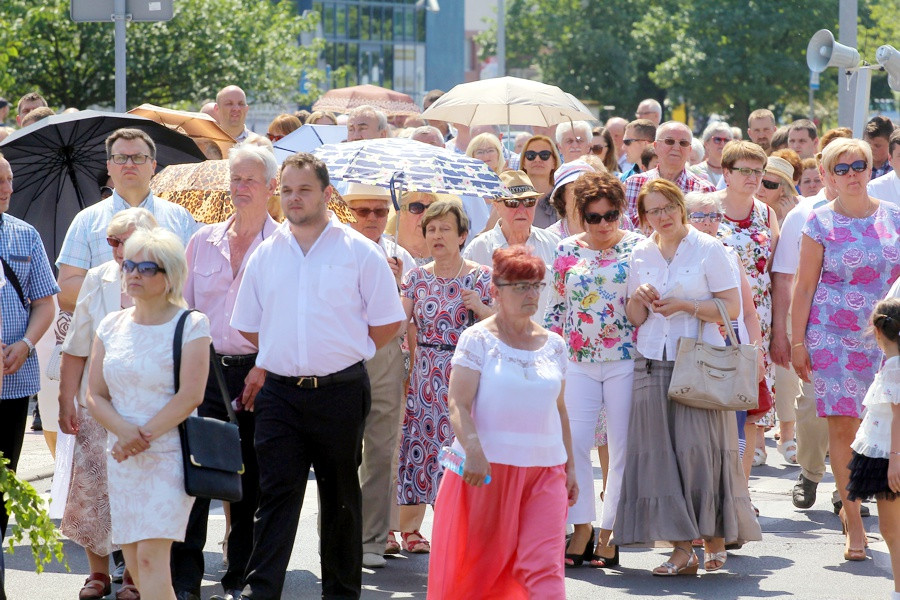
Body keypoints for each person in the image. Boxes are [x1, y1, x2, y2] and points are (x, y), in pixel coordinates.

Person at [230, 152, 404, 598]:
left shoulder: (359, 252)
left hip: (340, 391)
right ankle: (261, 590)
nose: (294, 198)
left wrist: (347, 349)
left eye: (304, 189)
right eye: (287, 190)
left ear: (327, 194)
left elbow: (387, 322)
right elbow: (248, 325)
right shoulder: (266, 255)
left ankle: (341, 593)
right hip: (280, 394)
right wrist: (283, 349)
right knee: (275, 496)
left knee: (341, 497)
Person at [616, 179, 761, 574]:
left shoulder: (708, 248)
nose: (662, 216)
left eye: (668, 207)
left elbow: (731, 307)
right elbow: (635, 318)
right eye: (653, 211)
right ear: (643, 216)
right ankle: (682, 550)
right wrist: (637, 299)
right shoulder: (640, 252)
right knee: (659, 459)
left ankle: (713, 538)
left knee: (700, 453)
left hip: (697, 362)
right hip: (651, 360)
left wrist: (685, 305)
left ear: (680, 206)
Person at [427, 246, 577, 599]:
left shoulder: (555, 345)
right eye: (521, 286)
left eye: (536, 285)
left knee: (544, 565)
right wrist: (474, 452)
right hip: (487, 471)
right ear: (495, 291)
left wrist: (571, 467)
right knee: (479, 573)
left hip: (546, 472)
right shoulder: (477, 339)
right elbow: (458, 402)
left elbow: (560, 409)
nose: (531, 294)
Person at [172, 145, 278, 600]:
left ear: (272, 187)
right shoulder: (202, 240)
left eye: (250, 179)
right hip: (206, 370)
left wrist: (265, 366)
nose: (241, 187)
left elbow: (287, 318)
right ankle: (185, 581)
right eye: (236, 179)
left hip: (262, 372)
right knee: (196, 475)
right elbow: (184, 308)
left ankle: (240, 575)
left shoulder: (284, 245)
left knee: (252, 479)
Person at [86, 228, 211, 599]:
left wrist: (140, 437)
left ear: (169, 275)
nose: (133, 274)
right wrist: (124, 433)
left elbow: (191, 395)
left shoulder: (192, 324)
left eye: (146, 268)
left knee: (151, 560)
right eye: (129, 265)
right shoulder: (110, 325)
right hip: (122, 458)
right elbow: (95, 395)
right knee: (136, 567)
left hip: (168, 456)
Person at [791, 137, 900, 562]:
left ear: (872, 169)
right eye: (842, 168)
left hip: (888, 338)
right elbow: (803, 287)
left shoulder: (894, 217)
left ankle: (889, 511)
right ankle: (853, 519)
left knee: (890, 425)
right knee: (843, 428)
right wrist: (796, 342)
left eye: (859, 166)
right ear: (829, 175)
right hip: (831, 337)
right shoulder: (818, 221)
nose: (852, 174)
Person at [544, 171, 643, 569]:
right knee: (575, 446)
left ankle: (609, 531)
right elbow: (556, 308)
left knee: (620, 449)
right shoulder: (566, 249)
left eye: (611, 215)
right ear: (580, 216)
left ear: (621, 211)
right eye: (594, 217)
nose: (603, 224)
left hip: (625, 359)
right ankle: (581, 526)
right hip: (578, 360)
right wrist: (548, 357)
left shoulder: (639, 247)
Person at [58, 208, 157, 600]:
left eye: (123, 241)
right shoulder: (98, 278)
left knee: (138, 493)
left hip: (145, 407)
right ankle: (98, 573)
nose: (116, 249)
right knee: (91, 492)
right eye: (112, 241)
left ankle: (134, 575)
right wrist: (66, 400)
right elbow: (76, 345)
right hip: (96, 405)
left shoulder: (164, 277)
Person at [396, 200, 493, 555]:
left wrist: (480, 307)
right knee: (420, 447)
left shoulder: (481, 277)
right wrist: (392, 286)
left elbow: (501, 325)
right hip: (424, 373)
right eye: (431, 229)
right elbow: (399, 324)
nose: (437, 235)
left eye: (445, 229)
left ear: (463, 235)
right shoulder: (415, 278)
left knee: (460, 446)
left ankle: (458, 525)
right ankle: (410, 529)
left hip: (465, 374)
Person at [342, 183, 415, 568]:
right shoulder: (334, 248)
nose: (373, 218)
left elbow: (406, 318)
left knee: (382, 450)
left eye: (380, 211)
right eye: (363, 211)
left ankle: (372, 539)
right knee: (340, 451)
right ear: (348, 212)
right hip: (343, 351)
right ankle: (339, 537)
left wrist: (395, 285)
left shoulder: (400, 253)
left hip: (386, 351)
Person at [0, 150, 58, 554]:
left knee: (5, 478)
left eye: (8, 180)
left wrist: (26, 343)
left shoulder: (25, 234)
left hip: (14, 380)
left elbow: (44, 303)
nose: (6, 189)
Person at [717, 141, 781, 471]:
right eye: (745, 170)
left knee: (751, 405)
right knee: (716, 401)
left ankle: (742, 488)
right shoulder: (707, 209)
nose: (753, 177)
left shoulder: (766, 213)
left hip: (759, 321)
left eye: (759, 171)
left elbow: (775, 271)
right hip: (718, 319)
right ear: (726, 173)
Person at [847, 297, 900, 598]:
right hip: (888, 453)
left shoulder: (894, 367)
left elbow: (898, 415)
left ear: (877, 332)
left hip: (889, 455)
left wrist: (895, 459)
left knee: (892, 531)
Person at [464, 171, 561, 318]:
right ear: (496, 206)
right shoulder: (478, 249)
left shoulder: (555, 245)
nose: (521, 210)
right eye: (512, 203)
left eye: (529, 202)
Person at [623, 121, 716, 227]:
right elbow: (624, 228)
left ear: (689, 150)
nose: (676, 147)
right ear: (656, 146)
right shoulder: (633, 184)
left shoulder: (704, 189)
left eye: (683, 143)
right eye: (669, 141)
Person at [518, 135, 561, 229]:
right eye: (531, 155)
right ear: (524, 162)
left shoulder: (563, 197)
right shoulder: (512, 197)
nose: (537, 159)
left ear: (554, 162)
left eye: (544, 155)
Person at [546, 161, 595, 239]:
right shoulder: (550, 237)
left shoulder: (609, 229)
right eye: (575, 188)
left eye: (588, 187)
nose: (583, 193)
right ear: (561, 196)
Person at [755, 155, 798, 224]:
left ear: (783, 190)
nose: (760, 188)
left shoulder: (797, 211)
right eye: (758, 181)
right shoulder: (743, 206)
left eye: (769, 184)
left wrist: (790, 218)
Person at [690, 121, 733, 188]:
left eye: (726, 140)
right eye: (717, 139)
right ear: (706, 144)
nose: (722, 143)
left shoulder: (737, 171)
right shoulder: (695, 171)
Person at [865, 116, 895, 180]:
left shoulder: (896, 169)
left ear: (890, 144)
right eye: (867, 144)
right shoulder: (859, 167)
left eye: (877, 145)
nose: (871, 149)